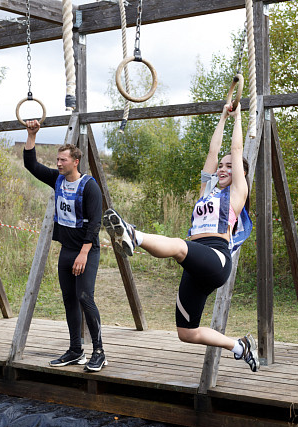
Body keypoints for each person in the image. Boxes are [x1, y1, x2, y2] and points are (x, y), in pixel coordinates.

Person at [102, 104, 260, 372]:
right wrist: (221, 118)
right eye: (220, 166)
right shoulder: (205, 193)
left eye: (229, 166)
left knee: (177, 246)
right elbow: (213, 152)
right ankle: (239, 346)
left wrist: (237, 118)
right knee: (186, 332)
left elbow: (236, 149)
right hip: (196, 261)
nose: (222, 168)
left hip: (216, 258)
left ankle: (133, 234)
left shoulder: (237, 194)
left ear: (241, 173)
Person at [23, 120, 107, 372]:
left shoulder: (89, 186)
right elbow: (31, 165)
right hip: (67, 251)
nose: (58, 163)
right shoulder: (57, 180)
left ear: (75, 161)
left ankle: (100, 352)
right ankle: (75, 350)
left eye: (63, 160)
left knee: (85, 297)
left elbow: (95, 223)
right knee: (69, 299)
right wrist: (31, 135)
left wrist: (83, 253)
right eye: (57, 160)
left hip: (86, 251)